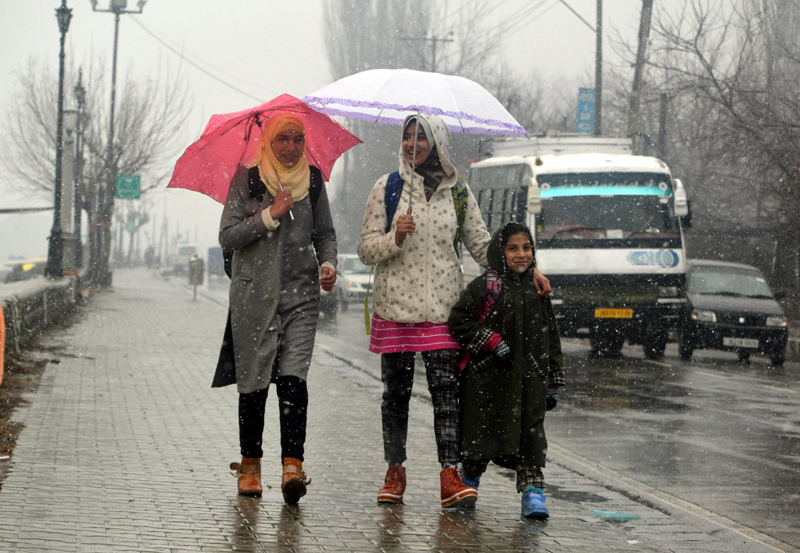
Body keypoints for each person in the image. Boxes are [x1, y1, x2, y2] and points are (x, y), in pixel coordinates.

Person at [357, 114, 551, 508]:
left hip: (443, 310)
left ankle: (450, 472)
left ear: (437, 143)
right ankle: (395, 471)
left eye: (421, 137)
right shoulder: (387, 187)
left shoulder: (458, 192)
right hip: (394, 308)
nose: (413, 144)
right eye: (407, 137)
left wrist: (528, 269)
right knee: (395, 396)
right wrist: (395, 237)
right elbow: (365, 250)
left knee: (448, 396)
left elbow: (484, 248)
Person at [216, 113, 337, 503]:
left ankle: (292, 467)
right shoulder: (247, 178)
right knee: (254, 383)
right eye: (281, 139)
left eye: (296, 139)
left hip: (301, 297)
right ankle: (250, 467)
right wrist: (269, 215)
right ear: (268, 141)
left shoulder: (313, 181)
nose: (289, 146)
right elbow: (227, 236)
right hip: (254, 296)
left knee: (292, 380)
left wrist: (328, 263)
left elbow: (325, 233)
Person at [448, 222, 564, 519]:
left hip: (529, 381)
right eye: (513, 248)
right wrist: (490, 340)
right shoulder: (485, 286)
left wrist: (552, 379)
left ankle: (533, 494)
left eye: (526, 247)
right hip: (489, 381)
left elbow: (550, 335)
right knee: (480, 436)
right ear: (500, 252)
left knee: (530, 437)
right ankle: (468, 484)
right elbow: (459, 322)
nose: (521, 254)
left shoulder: (538, 289)